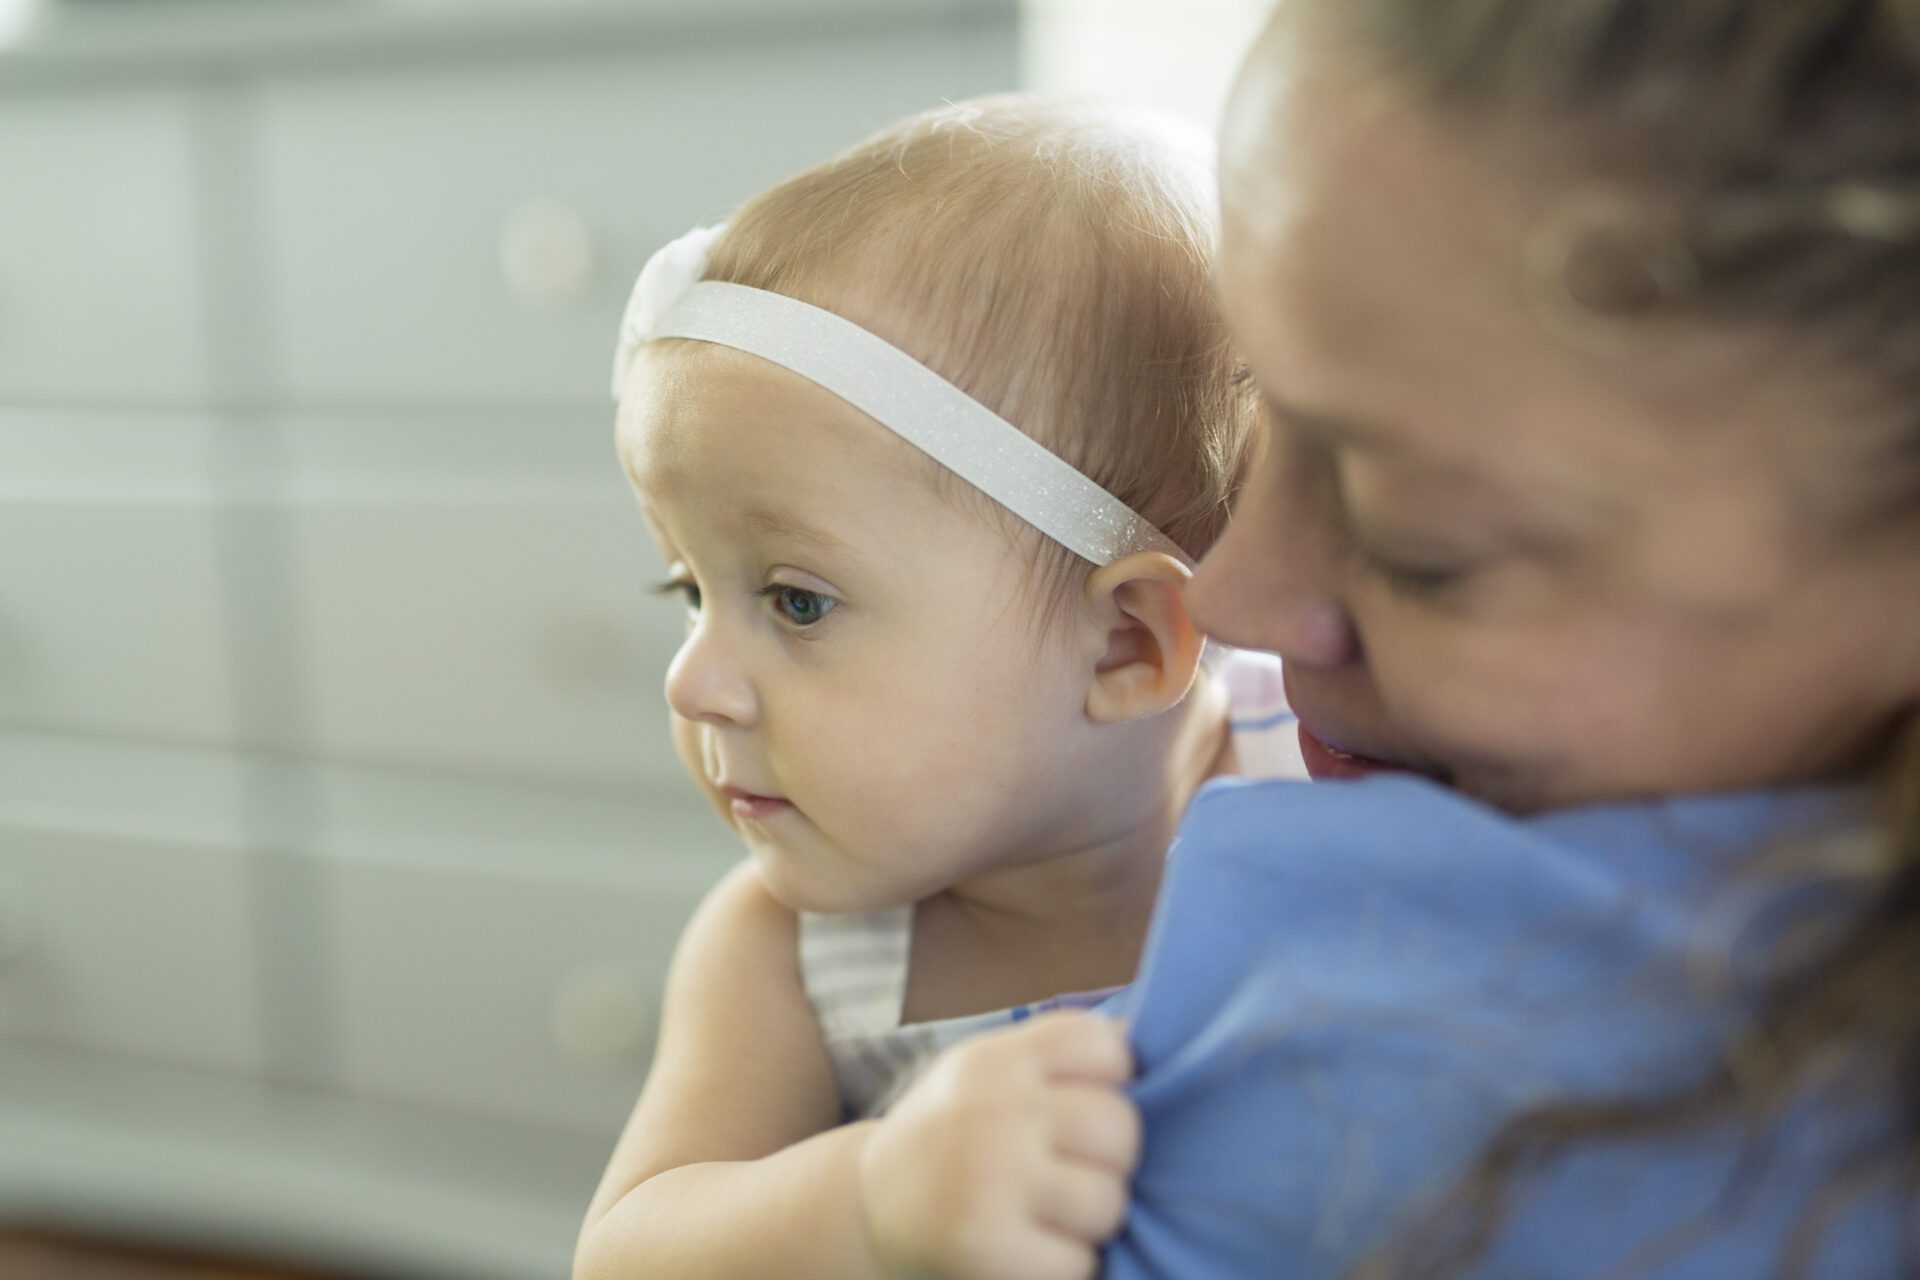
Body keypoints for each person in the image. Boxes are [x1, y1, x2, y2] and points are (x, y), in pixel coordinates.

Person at [574, 96, 1302, 1280]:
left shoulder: (1324, 783)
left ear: (1126, 645)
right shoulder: (794, 956)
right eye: (687, 590)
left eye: (797, 600)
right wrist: (869, 1202)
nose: (695, 679)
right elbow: (625, 1254)